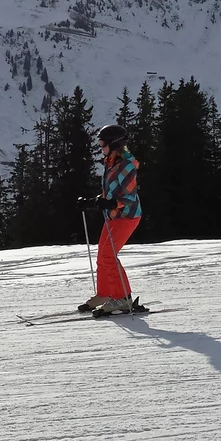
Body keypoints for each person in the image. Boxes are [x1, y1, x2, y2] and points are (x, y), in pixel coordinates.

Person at [76, 124, 148, 316]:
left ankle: (123, 298)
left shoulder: (126, 166)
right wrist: (93, 201)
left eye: (102, 143)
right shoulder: (111, 162)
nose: (100, 147)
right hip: (114, 216)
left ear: (114, 144)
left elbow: (129, 197)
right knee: (102, 254)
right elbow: (110, 191)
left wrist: (111, 204)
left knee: (108, 255)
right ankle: (106, 294)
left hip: (127, 216)